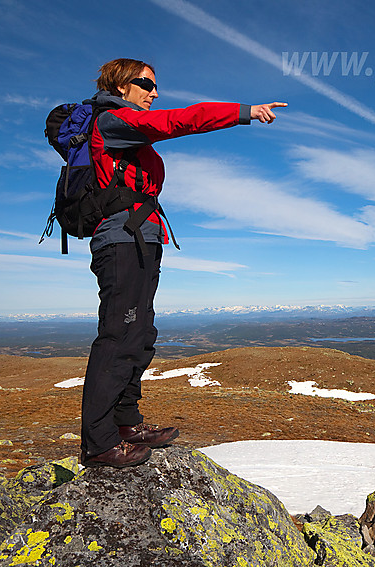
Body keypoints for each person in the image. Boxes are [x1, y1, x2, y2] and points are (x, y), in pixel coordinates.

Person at [79, 58, 286, 468]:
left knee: (139, 334)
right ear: (122, 86)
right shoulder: (111, 122)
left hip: (141, 238)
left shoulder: (124, 128)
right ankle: (99, 443)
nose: (154, 93)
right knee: (118, 337)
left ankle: (126, 423)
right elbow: (179, 121)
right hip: (121, 241)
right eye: (146, 84)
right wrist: (243, 112)